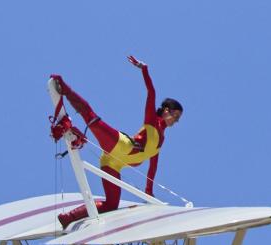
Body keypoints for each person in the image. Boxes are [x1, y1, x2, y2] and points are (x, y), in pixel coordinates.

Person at [51, 56, 183, 228]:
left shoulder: (161, 140)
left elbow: (152, 167)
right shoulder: (152, 121)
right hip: (121, 145)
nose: (176, 120)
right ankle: (64, 88)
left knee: (111, 205)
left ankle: (68, 217)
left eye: (178, 119)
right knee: (92, 119)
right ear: (166, 110)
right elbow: (151, 92)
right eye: (175, 115)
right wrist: (144, 70)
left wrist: (148, 192)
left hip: (113, 163)